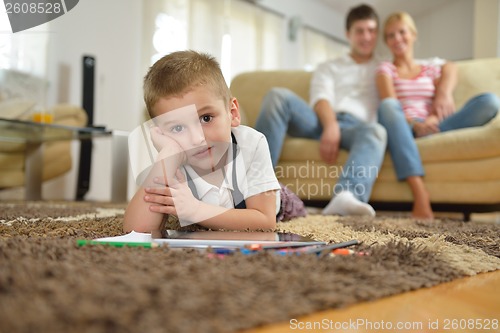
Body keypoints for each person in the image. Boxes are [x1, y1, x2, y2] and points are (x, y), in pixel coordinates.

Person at [124, 51, 305, 233]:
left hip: (275, 202)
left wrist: (195, 211)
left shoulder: (252, 144)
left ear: (232, 113)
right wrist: (167, 159)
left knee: (296, 209)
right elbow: (136, 231)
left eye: (206, 118)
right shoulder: (172, 155)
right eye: (178, 128)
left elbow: (265, 221)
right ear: (162, 134)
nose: (197, 139)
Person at [255, 4, 387, 216]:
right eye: (360, 31)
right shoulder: (330, 66)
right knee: (277, 96)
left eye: (371, 31)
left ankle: (346, 197)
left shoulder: (384, 68)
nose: (366, 36)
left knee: (377, 132)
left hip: (359, 129)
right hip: (319, 122)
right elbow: (320, 97)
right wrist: (331, 125)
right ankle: (257, 185)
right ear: (348, 34)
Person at [376, 12, 500, 219]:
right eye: (390, 35)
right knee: (388, 106)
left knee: (490, 101)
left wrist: (441, 100)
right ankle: (420, 193)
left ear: (413, 34)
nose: (397, 39)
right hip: (403, 128)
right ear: (386, 42)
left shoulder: (429, 69)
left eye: (401, 32)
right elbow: (390, 103)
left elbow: (450, 68)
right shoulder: (386, 69)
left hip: (434, 127)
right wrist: (415, 125)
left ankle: (426, 134)